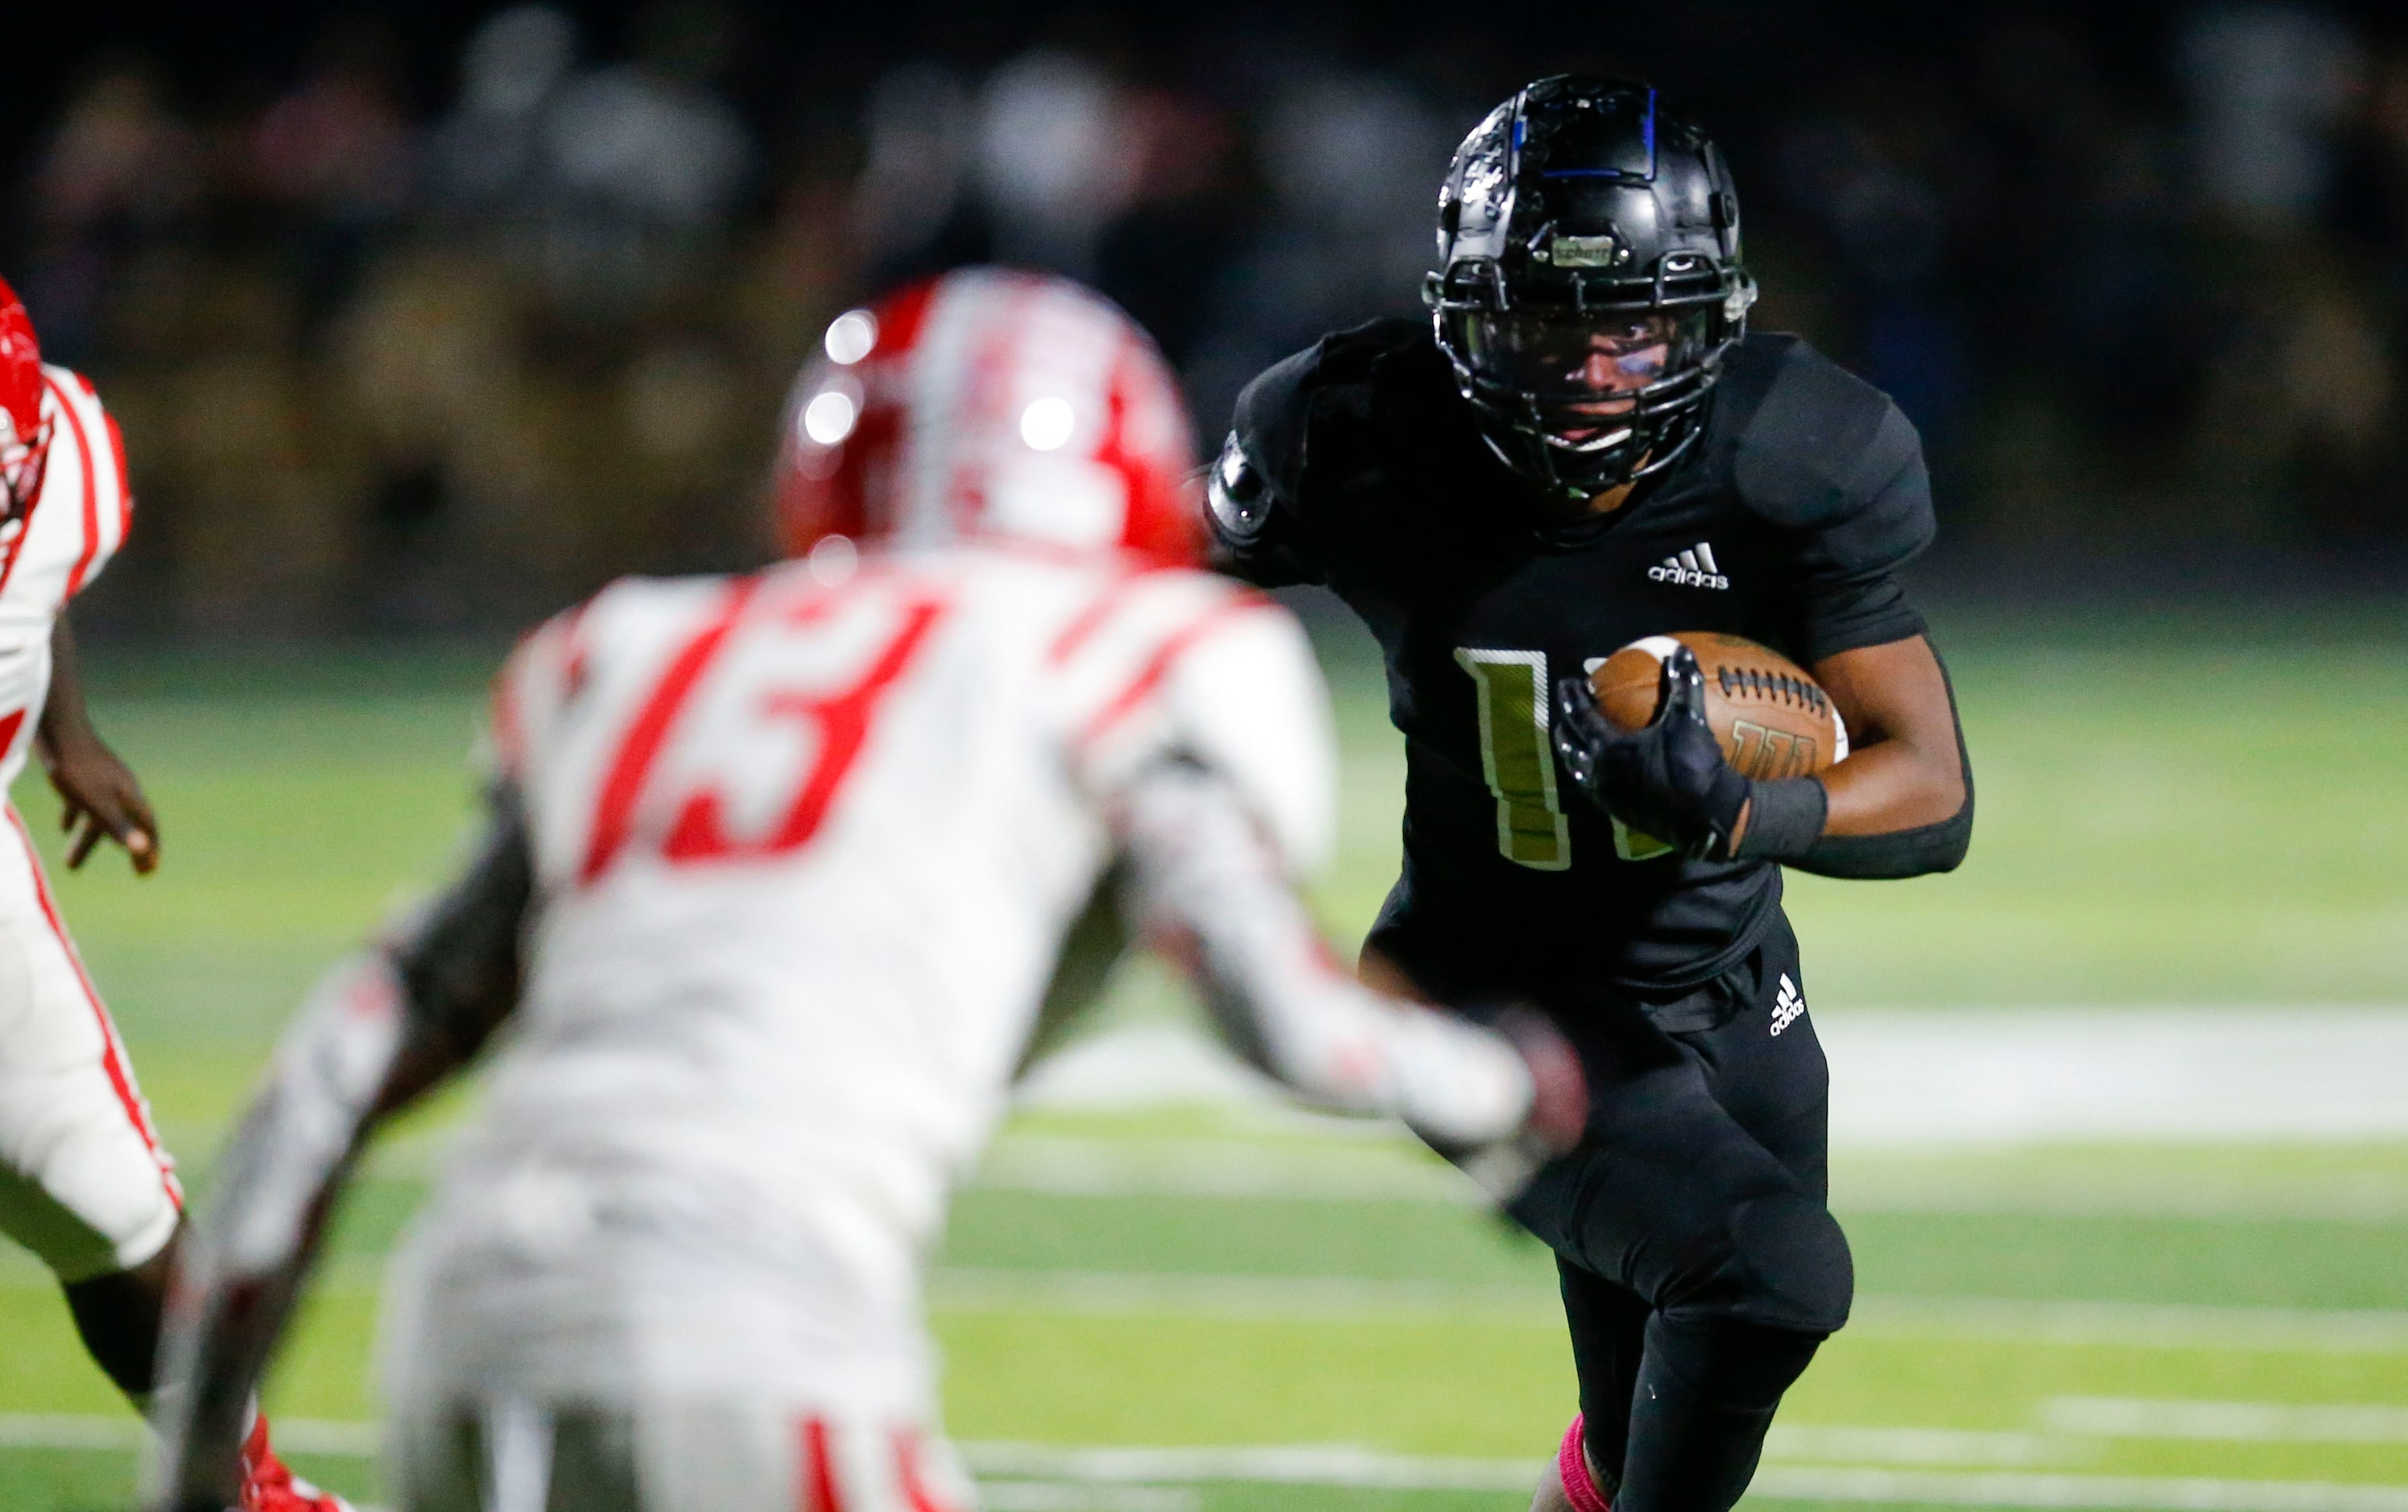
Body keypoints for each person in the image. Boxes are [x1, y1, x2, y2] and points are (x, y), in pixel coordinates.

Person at [149, 267, 1586, 1512]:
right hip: (756, 1327)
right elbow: (1291, 1023)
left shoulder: (640, 650)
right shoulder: (1122, 652)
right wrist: (1496, 1086)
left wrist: (200, 1460)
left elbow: (324, 1079)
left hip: (457, 1336)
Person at [1202, 77, 1974, 1512]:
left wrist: (1740, 814)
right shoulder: (1350, 430)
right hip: (1481, 993)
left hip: (1731, 986)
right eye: (1542, 326)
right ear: (1460, 315)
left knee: (1643, 1443)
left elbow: (1935, 794)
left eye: (1631, 325)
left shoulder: (1798, 451)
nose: (1590, 373)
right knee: (1770, 1280)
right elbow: (1132, 600)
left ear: (1709, 318)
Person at [0, 276, 347, 1512]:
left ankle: (246, 1491)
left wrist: (66, 733)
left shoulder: (66, 455)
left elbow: (48, 567)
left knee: (108, 1204)